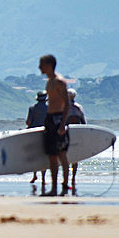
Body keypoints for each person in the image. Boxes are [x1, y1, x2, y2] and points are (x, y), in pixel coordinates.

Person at [38, 54, 70, 197]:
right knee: (51, 155)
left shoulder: (59, 82)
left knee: (61, 154)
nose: (39, 67)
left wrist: (63, 124)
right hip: (50, 119)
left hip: (58, 119)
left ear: (49, 65)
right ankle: (54, 187)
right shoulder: (49, 81)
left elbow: (67, 104)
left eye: (41, 64)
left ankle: (64, 185)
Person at [26, 91, 48, 194]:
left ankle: (34, 175)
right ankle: (43, 179)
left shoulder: (32, 108)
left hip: (33, 133)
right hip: (46, 133)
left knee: (35, 155)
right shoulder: (49, 109)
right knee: (44, 155)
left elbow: (28, 122)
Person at [67, 88, 86, 195]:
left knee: (65, 156)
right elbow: (83, 122)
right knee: (76, 158)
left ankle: (66, 178)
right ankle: (73, 178)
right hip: (77, 134)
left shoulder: (64, 107)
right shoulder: (78, 107)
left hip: (66, 133)